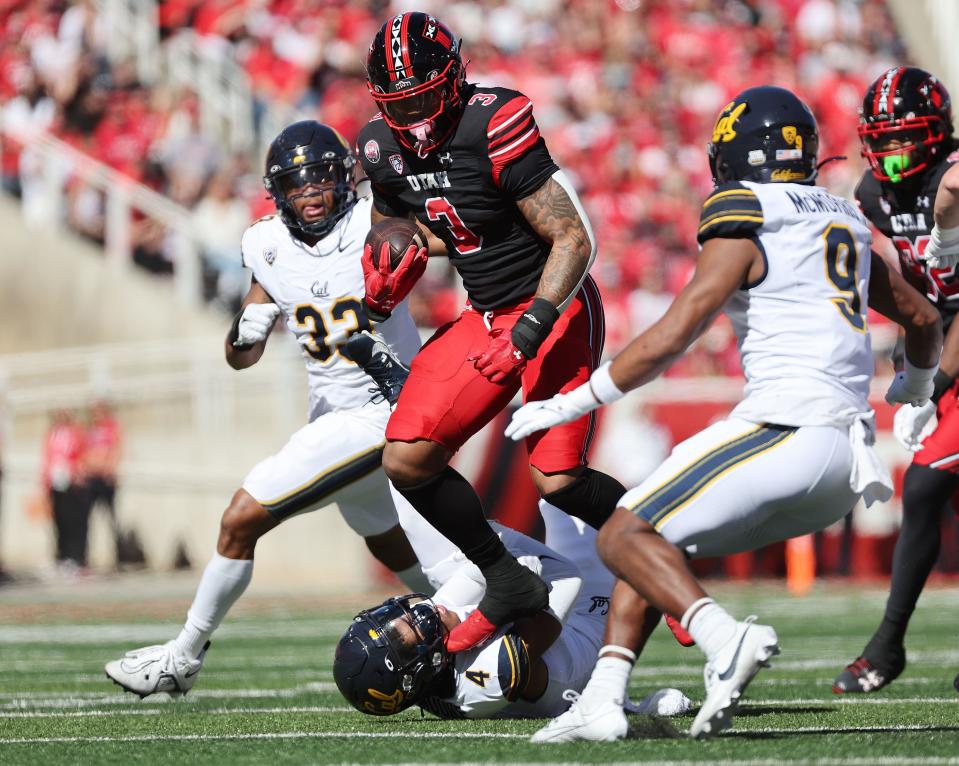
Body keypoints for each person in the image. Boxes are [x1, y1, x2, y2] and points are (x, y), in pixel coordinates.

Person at [505, 85, 943, 741]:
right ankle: (602, 695)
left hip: (783, 429)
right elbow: (922, 317)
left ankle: (723, 637)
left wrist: (575, 399)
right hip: (843, 467)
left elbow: (679, 328)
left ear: (740, 153)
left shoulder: (747, 209)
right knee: (650, 537)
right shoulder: (844, 215)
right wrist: (914, 388)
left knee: (618, 535)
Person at [105, 120, 428, 698]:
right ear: (277, 192)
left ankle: (183, 654)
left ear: (343, 178)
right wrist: (244, 330)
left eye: (321, 180)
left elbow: (424, 234)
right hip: (331, 415)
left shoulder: (371, 223)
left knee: (241, 516)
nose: (310, 194)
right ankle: (462, 618)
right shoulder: (266, 244)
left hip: (387, 407)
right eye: (296, 185)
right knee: (388, 538)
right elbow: (240, 357)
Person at [356, 11, 628, 651]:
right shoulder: (379, 145)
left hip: (550, 306)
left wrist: (527, 334)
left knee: (556, 480)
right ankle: (505, 579)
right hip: (483, 314)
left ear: (453, 80)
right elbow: (401, 223)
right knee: (408, 458)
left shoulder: (495, 120)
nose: (417, 116)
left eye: (425, 97)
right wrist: (390, 262)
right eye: (403, 103)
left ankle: (658, 540)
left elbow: (571, 238)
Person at [832, 66, 959, 695]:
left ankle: (886, 647)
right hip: (944, 337)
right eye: (879, 139)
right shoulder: (875, 194)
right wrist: (913, 359)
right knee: (930, 490)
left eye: (902, 138)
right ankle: (886, 646)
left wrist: (928, 377)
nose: (888, 153)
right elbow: (908, 295)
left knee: (931, 483)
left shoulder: (949, 175)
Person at [333, 501, 692, 720]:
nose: (408, 616)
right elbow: (563, 580)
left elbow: (487, 570)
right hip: (586, 624)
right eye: (404, 633)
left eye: (393, 622)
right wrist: (495, 552)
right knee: (569, 503)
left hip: (534, 611)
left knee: (426, 514)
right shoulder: (486, 679)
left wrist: (481, 545)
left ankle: (397, 411)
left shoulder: (429, 672)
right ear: (414, 673)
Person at [42, 409, 91, 574]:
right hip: (56, 481)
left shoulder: (76, 433)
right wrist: (44, 482)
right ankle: (61, 557)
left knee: (73, 520)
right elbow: (47, 458)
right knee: (59, 520)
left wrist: (78, 472)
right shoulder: (52, 434)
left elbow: (83, 455)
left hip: (71, 481)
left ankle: (75, 557)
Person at [84, 400, 124, 565]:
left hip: (106, 477)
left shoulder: (111, 427)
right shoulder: (89, 430)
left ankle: (118, 557)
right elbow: (84, 451)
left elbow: (118, 448)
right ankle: (86, 557)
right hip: (92, 477)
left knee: (112, 519)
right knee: (87, 519)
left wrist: (112, 468)